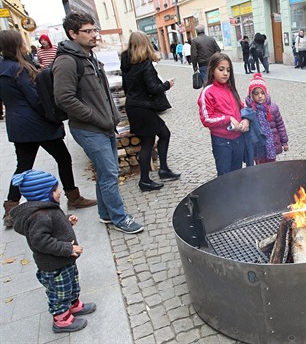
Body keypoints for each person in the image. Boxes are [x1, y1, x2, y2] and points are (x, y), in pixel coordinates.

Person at [53, 12, 144, 234]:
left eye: (95, 30)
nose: (94, 35)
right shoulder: (67, 61)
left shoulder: (88, 56)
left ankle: (106, 214)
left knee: (106, 174)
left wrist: (112, 119)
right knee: (111, 175)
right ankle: (120, 218)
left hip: (104, 127)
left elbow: (102, 93)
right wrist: (97, 118)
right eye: (88, 31)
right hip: (89, 129)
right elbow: (64, 98)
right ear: (73, 34)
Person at [0, 29, 96, 227]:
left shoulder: (2, 68)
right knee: (63, 158)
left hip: (17, 124)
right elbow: (35, 99)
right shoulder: (19, 69)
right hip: (37, 124)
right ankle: (73, 197)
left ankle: (11, 209)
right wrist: (52, 114)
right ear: (16, 45)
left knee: (23, 166)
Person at [10, 170, 96, 333]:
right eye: (56, 190)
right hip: (55, 265)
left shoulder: (47, 209)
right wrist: (67, 248)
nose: (60, 192)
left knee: (71, 284)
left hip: (65, 261)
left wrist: (66, 220)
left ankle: (73, 305)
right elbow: (41, 241)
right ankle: (61, 321)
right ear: (43, 194)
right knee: (59, 291)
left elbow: (54, 226)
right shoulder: (39, 216)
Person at [120, 31, 181, 192]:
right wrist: (167, 84)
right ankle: (145, 180)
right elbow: (153, 88)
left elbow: (126, 87)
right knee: (147, 143)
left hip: (134, 106)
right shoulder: (144, 63)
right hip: (143, 108)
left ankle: (163, 170)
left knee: (163, 134)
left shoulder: (126, 63)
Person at [198, 53, 249, 176]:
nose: (225, 73)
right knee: (224, 175)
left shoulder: (231, 88)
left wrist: (246, 119)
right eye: (221, 69)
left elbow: (242, 107)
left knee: (237, 173)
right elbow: (206, 119)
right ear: (212, 71)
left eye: (228, 70)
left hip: (238, 139)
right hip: (222, 142)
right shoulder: (208, 92)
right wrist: (228, 119)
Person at [245, 73, 288, 164]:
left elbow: (280, 125)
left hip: (271, 144)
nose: (260, 96)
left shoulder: (273, 108)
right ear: (251, 95)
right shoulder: (249, 111)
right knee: (260, 166)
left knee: (272, 165)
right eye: (256, 94)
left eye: (262, 93)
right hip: (257, 147)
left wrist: (284, 142)